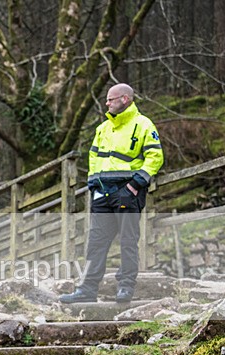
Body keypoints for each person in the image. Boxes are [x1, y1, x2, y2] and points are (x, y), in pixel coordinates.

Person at [60, 83, 164, 304]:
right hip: (102, 194)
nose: (106, 103)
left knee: (128, 241)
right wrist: (93, 186)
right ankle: (87, 289)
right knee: (96, 243)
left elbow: (155, 156)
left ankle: (126, 288)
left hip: (128, 192)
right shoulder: (103, 128)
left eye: (111, 99)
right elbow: (94, 158)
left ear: (125, 99)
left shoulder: (143, 124)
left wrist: (136, 184)